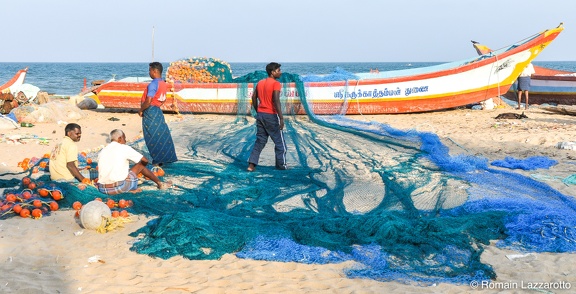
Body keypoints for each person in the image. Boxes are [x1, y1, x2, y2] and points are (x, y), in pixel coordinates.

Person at [96, 129, 172, 195]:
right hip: (120, 187)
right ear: (119, 139)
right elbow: (144, 160)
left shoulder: (103, 151)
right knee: (140, 164)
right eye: (124, 139)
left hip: (103, 189)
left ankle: (128, 189)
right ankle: (160, 184)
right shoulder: (124, 148)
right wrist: (141, 167)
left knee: (129, 170)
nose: (125, 141)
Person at [247, 62, 287, 172]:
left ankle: (251, 165)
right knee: (280, 143)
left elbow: (254, 98)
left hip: (261, 115)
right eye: (278, 70)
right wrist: (281, 117)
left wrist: (258, 110)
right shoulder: (276, 84)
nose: (280, 72)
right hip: (271, 116)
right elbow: (276, 100)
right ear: (272, 72)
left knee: (260, 141)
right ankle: (281, 166)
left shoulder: (260, 83)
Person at [138, 61, 178, 166]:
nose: (149, 72)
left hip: (150, 111)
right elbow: (163, 99)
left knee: (151, 135)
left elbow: (148, 100)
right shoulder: (163, 83)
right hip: (157, 111)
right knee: (162, 134)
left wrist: (141, 110)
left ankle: (158, 160)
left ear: (155, 71)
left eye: (150, 70)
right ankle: (167, 158)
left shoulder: (153, 84)